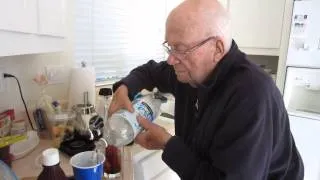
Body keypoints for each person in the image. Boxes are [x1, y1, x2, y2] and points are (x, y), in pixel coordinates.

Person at [108, 0, 304, 179]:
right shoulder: (188, 71)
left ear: (217, 49)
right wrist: (125, 87)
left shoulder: (252, 95)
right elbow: (150, 72)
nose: (171, 59)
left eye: (181, 48)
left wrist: (168, 144)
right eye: (170, 47)